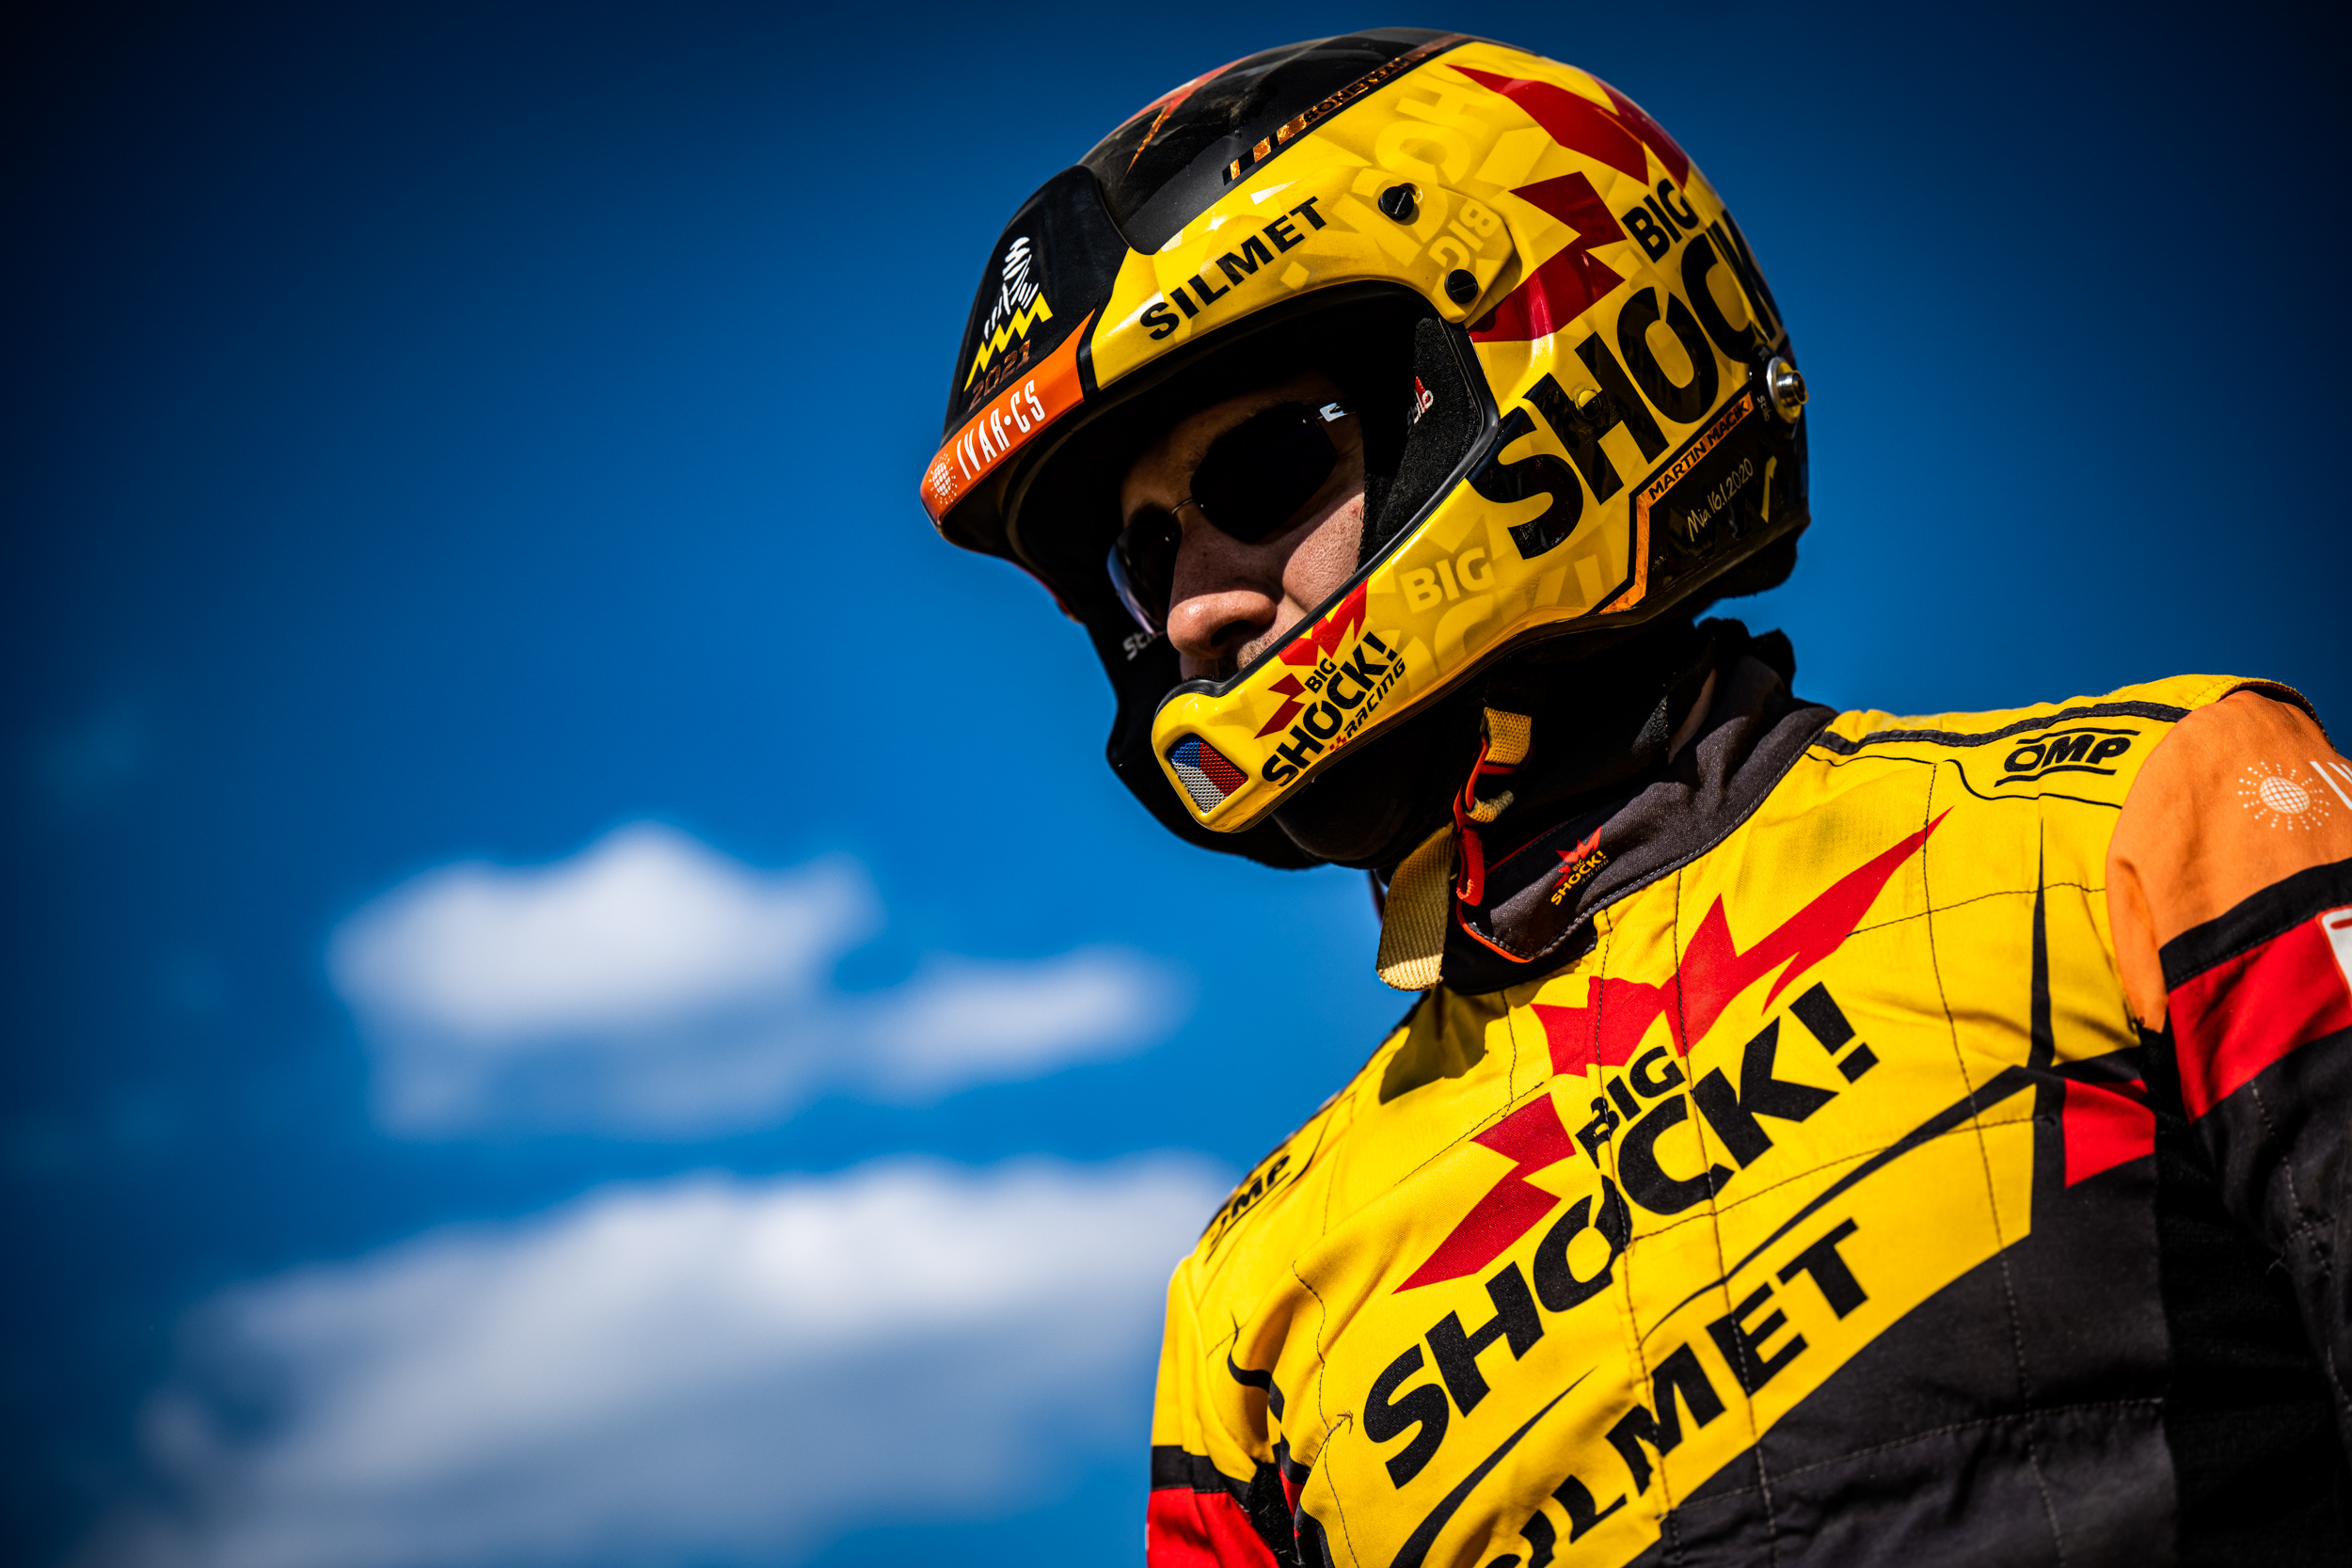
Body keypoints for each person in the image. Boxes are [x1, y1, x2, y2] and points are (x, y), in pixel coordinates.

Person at [917, 29, 2352, 1566]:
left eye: (1264, 476)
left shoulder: (2150, 818)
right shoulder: (1249, 1309)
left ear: (1537, 367)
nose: (1195, 611)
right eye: (1144, 558)